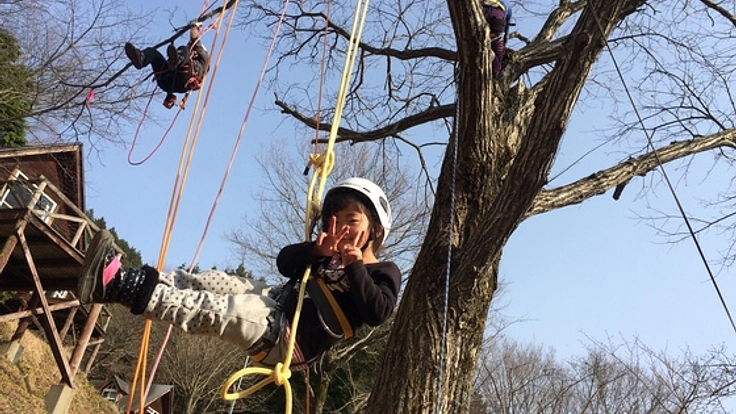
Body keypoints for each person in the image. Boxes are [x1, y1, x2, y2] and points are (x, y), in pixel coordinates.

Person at [77, 178, 401, 368]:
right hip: (276, 304)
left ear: (375, 229)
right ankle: (126, 276)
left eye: (351, 219)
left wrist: (355, 264)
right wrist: (316, 252)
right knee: (211, 282)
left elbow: (378, 312)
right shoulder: (324, 257)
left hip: (289, 339)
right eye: (334, 219)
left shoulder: (382, 271)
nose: (342, 227)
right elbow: (284, 263)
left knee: (219, 311)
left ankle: (117, 285)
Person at [124, 22, 210, 109]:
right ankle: (141, 59)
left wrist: (195, 26)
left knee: (183, 49)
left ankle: (177, 60)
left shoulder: (202, 58)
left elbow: (194, 37)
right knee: (154, 54)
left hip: (183, 78)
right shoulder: (192, 59)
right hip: (166, 81)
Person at [481, 0, 513, 76]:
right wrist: (503, 43)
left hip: (481, 13)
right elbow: (506, 28)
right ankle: (490, 53)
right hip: (497, 18)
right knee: (496, 68)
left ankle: (488, 51)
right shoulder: (507, 3)